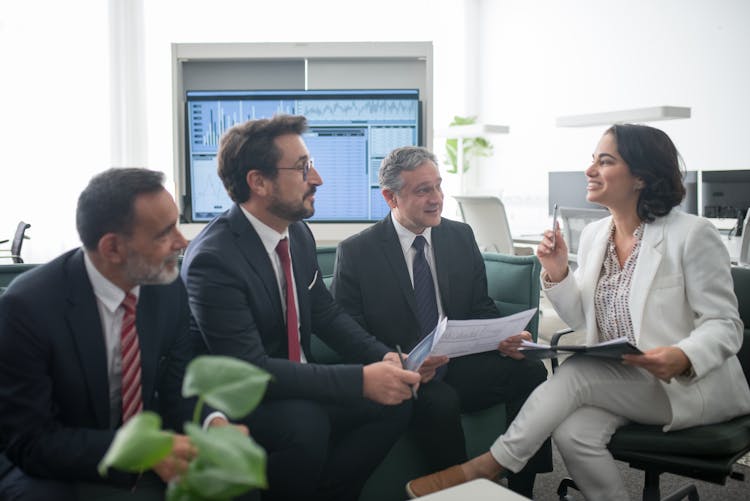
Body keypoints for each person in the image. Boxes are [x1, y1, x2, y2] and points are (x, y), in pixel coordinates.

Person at [405, 124, 750, 500]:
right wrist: (558, 271)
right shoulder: (596, 235)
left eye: (605, 161)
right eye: (593, 160)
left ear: (641, 177)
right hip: (622, 380)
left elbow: (725, 325)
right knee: (573, 434)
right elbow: (583, 321)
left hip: (682, 386)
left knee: (577, 373)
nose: (589, 171)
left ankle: (489, 464)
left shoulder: (692, 235)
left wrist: (683, 355)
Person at [180, 114, 420, 501]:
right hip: (241, 394)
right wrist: (360, 378)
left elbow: (325, 314)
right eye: (303, 167)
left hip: (298, 380)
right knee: (304, 423)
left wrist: (389, 358)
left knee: (393, 400)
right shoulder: (215, 259)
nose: (318, 178)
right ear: (258, 182)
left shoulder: (297, 232)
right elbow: (249, 369)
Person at [331, 145, 551, 497]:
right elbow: (348, 331)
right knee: (441, 402)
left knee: (532, 373)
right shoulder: (358, 252)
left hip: (461, 362)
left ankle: (523, 488)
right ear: (391, 197)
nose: (436, 199)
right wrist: (398, 362)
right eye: (423, 190)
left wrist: (506, 337)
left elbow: (480, 307)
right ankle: (457, 494)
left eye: (438, 186)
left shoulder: (459, 236)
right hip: (408, 372)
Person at [0, 168, 200, 500]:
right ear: (112, 249)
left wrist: (212, 426)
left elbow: (179, 387)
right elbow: (32, 442)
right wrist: (140, 450)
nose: (182, 243)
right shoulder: (26, 309)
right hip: (56, 464)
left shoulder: (167, 287)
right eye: (165, 233)